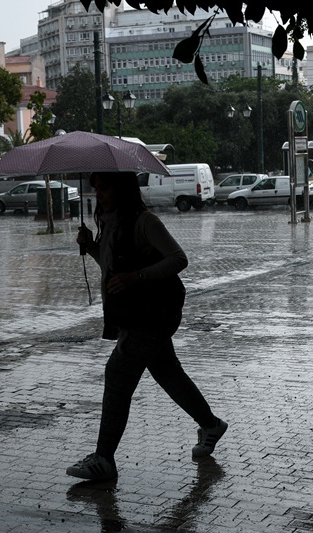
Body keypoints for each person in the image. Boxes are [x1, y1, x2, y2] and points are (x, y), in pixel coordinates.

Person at [67, 171, 227, 481]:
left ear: (123, 189)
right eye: (96, 189)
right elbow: (112, 267)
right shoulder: (113, 223)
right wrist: (90, 247)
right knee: (167, 371)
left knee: (117, 374)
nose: (99, 194)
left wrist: (137, 277)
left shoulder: (145, 221)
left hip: (150, 314)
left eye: (105, 187)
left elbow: (179, 259)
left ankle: (103, 458)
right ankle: (211, 424)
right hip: (133, 314)